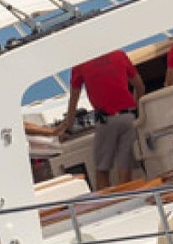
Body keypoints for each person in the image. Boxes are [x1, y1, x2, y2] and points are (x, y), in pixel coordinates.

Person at [61, 49, 145, 189]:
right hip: (127, 117)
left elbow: (73, 101)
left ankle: (105, 204)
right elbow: (140, 87)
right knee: (125, 167)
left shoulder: (80, 64)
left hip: (106, 120)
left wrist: (68, 129)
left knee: (102, 170)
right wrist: (136, 110)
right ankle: (127, 198)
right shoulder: (119, 55)